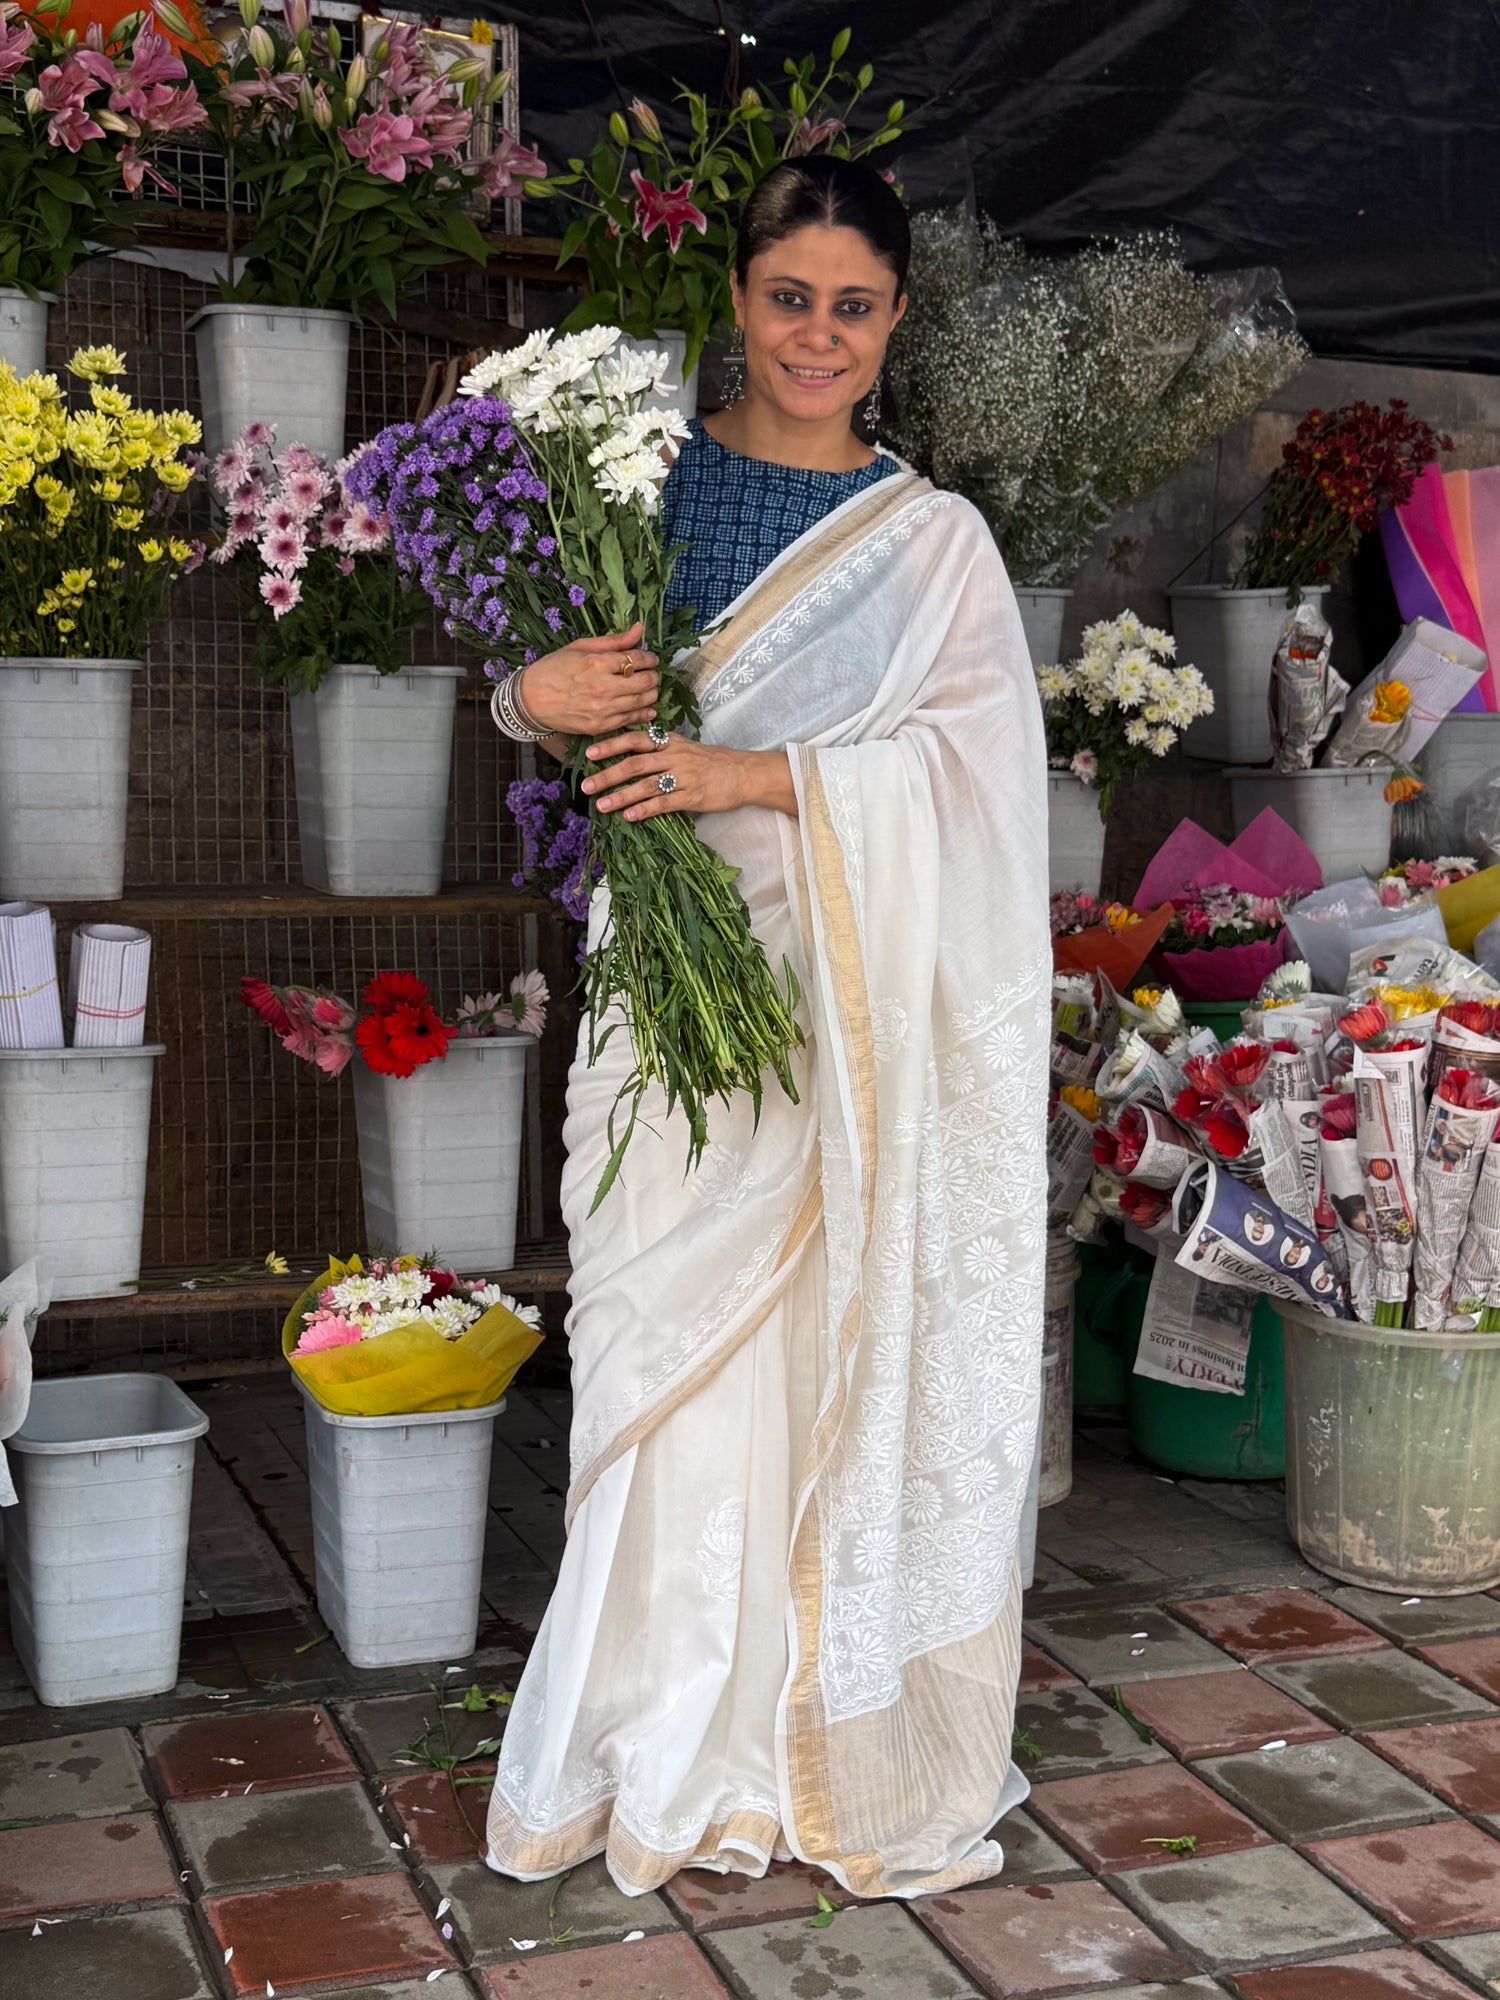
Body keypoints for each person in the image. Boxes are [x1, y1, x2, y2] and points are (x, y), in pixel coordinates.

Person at [482, 156, 1050, 1901]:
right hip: (671, 999)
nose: (818, 335)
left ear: (894, 326)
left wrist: (757, 776)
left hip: (840, 1019)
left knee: (815, 1359)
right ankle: (658, 1723)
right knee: (660, 1356)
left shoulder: (932, 544)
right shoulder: (632, 483)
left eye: (853, 306)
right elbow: (541, 701)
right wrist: (529, 693)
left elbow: (981, 787)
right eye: (788, 297)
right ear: (736, 302)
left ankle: (802, 1728)